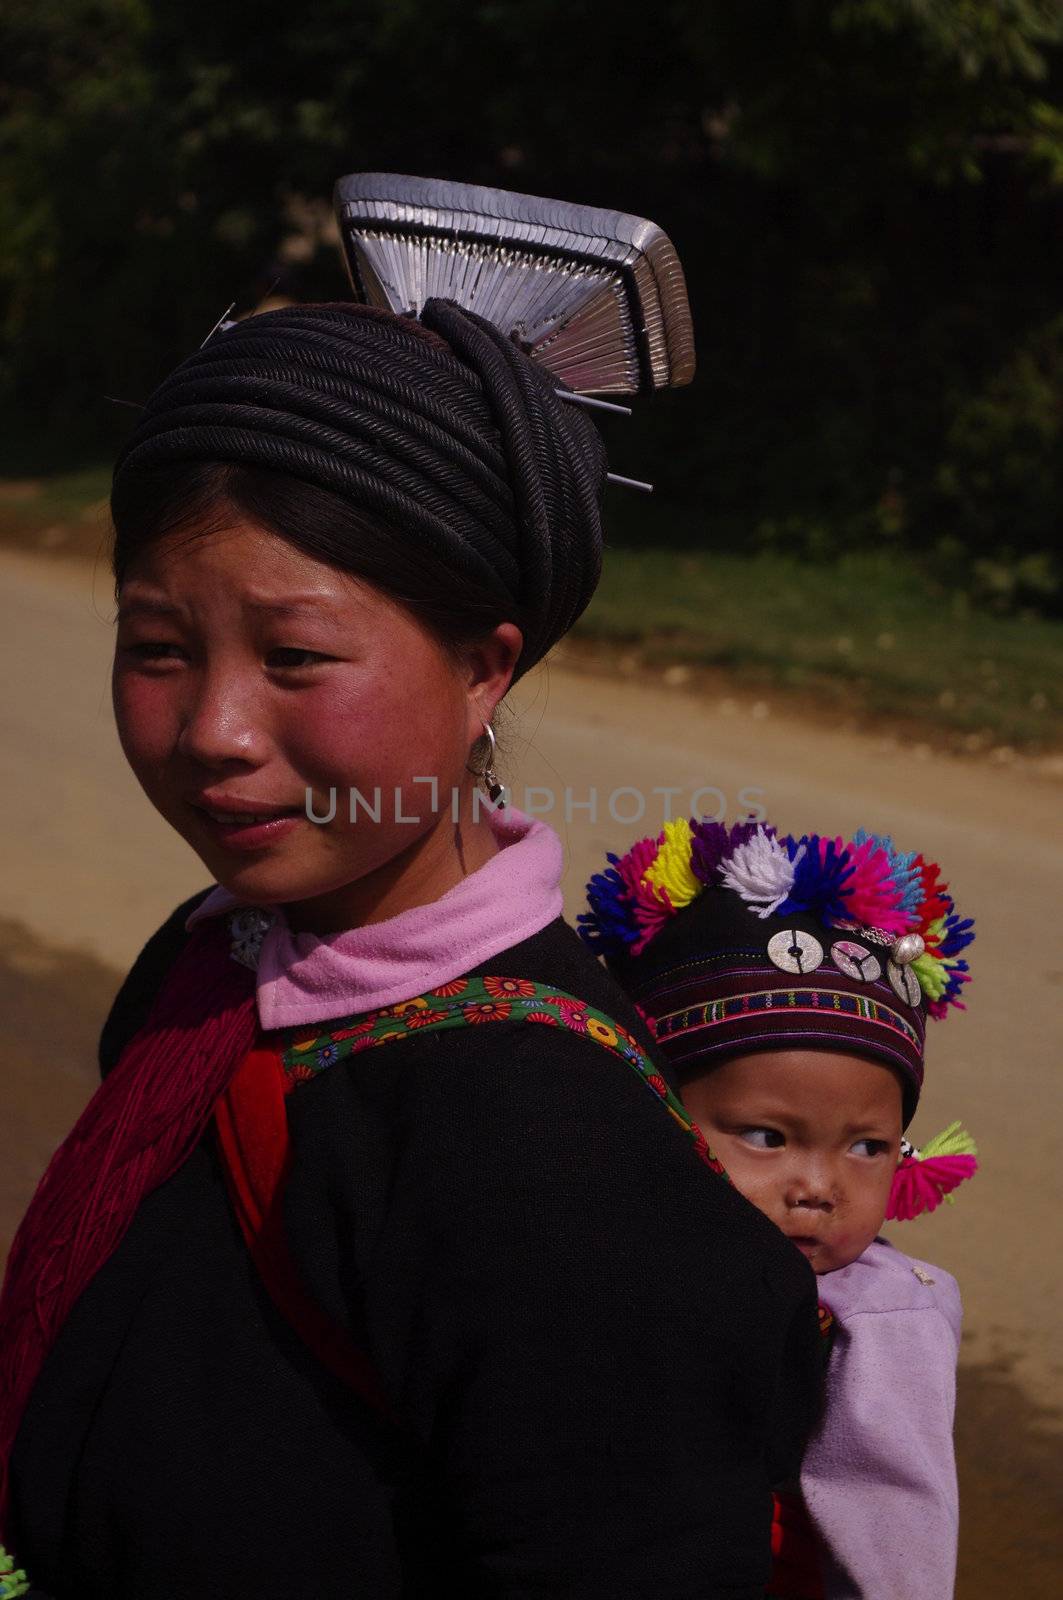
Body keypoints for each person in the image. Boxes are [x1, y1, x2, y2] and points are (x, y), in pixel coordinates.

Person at [0, 280, 824, 1595]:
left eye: (296, 656)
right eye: (157, 646)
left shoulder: (553, 1164)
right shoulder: (212, 961)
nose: (213, 728)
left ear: (484, 668)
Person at [580, 816, 978, 1599]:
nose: (817, 1188)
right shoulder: (588, 1248)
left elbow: (901, 1541)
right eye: (767, 1136)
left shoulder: (882, 1328)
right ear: (653, 1113)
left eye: (865, 1147)